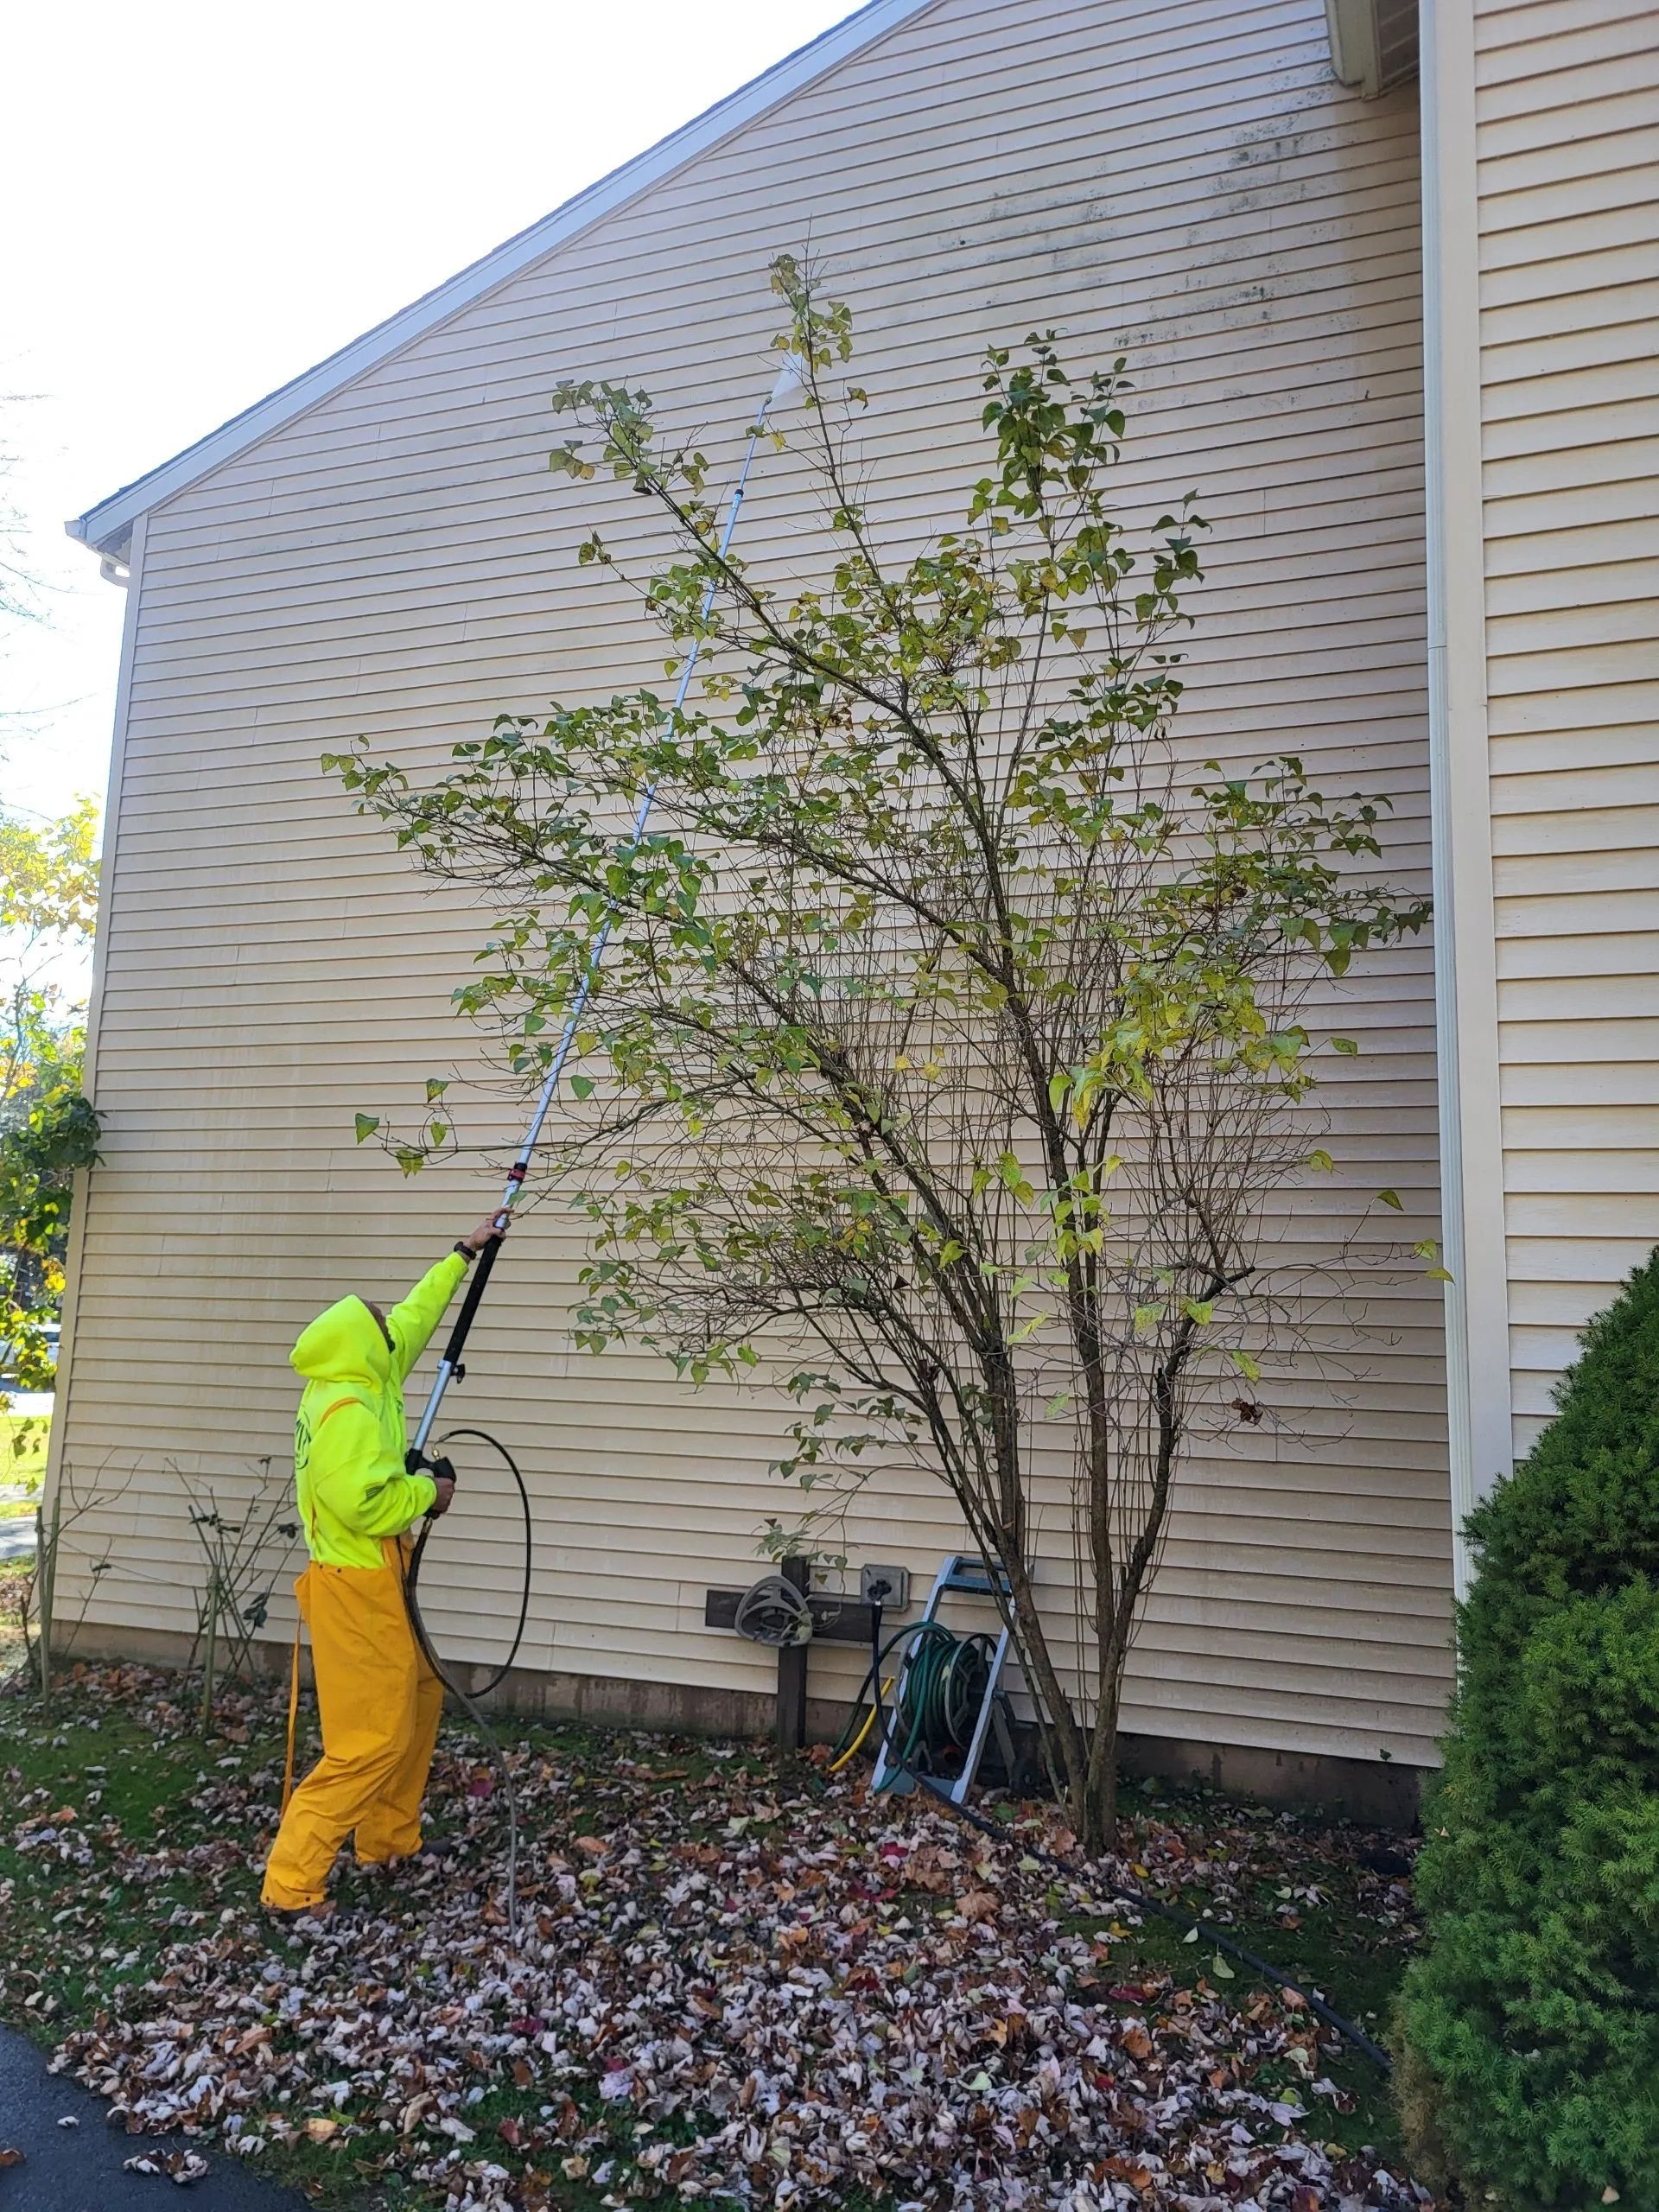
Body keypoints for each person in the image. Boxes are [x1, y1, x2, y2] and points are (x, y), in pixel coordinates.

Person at [260, 1213, 508, 1922]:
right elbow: (367, 1504)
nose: (392, 1328)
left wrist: (463, 1255)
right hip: (354, 1582)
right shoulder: (346, 1409)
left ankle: (388, 1838)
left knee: (420, 1697)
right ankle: (291, 1883)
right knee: (368, 1740)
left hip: (379, 1572)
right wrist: (431, 1490)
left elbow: (415, 1317)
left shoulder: (368, 1375)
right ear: (362, 1345)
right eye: (380, 1325)